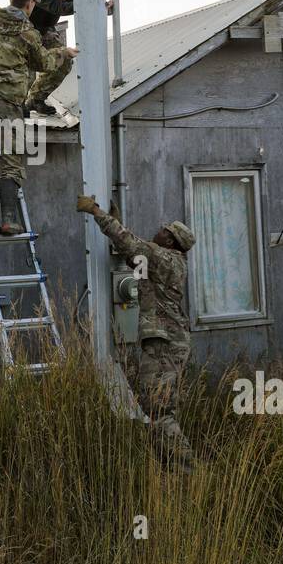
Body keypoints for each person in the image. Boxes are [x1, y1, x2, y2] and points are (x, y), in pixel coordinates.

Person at [75, 195, 200, 470]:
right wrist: (116, 223)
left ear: (170, 240)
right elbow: (133, 254)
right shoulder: (167, 261)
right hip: (170, 341)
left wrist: (96, 211)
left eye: (164, 230)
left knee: (158, 411)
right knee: (161, 408)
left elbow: (131, 243)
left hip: (164, 343)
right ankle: (175, 471)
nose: (158, 230)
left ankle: (190, 469)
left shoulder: (163, 257)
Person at [0, 0, 78, 235]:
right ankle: (10, 220)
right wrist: (63, 53)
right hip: (8, 101)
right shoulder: (26, 30)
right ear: (29, 4)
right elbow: (44, 63)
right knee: (10, 157)